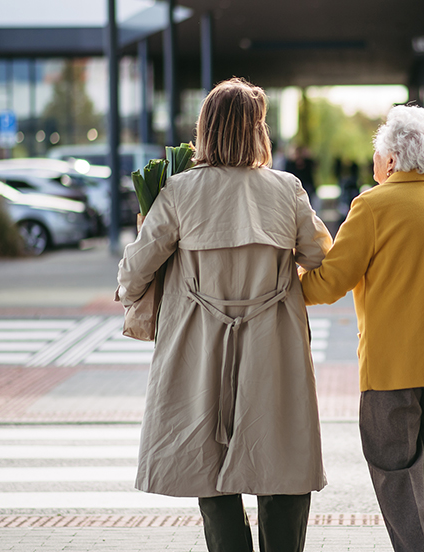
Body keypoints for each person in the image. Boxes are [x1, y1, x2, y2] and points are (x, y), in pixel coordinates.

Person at [117, 77, 332, 552]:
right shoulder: (286, 188)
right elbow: (319, 256)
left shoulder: (179, 190)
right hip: (272, 343)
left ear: (206, 130)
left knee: (208, 465)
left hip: (198, 344)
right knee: (282, 458)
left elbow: (134, 270)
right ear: (257, 131)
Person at [299, 105, 424, 552]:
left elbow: (330, 282)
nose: (375, 162)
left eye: (377, 154)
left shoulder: (371, 207)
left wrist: (284, 285)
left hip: (391, 374)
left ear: (391, 161)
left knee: (395, 473)